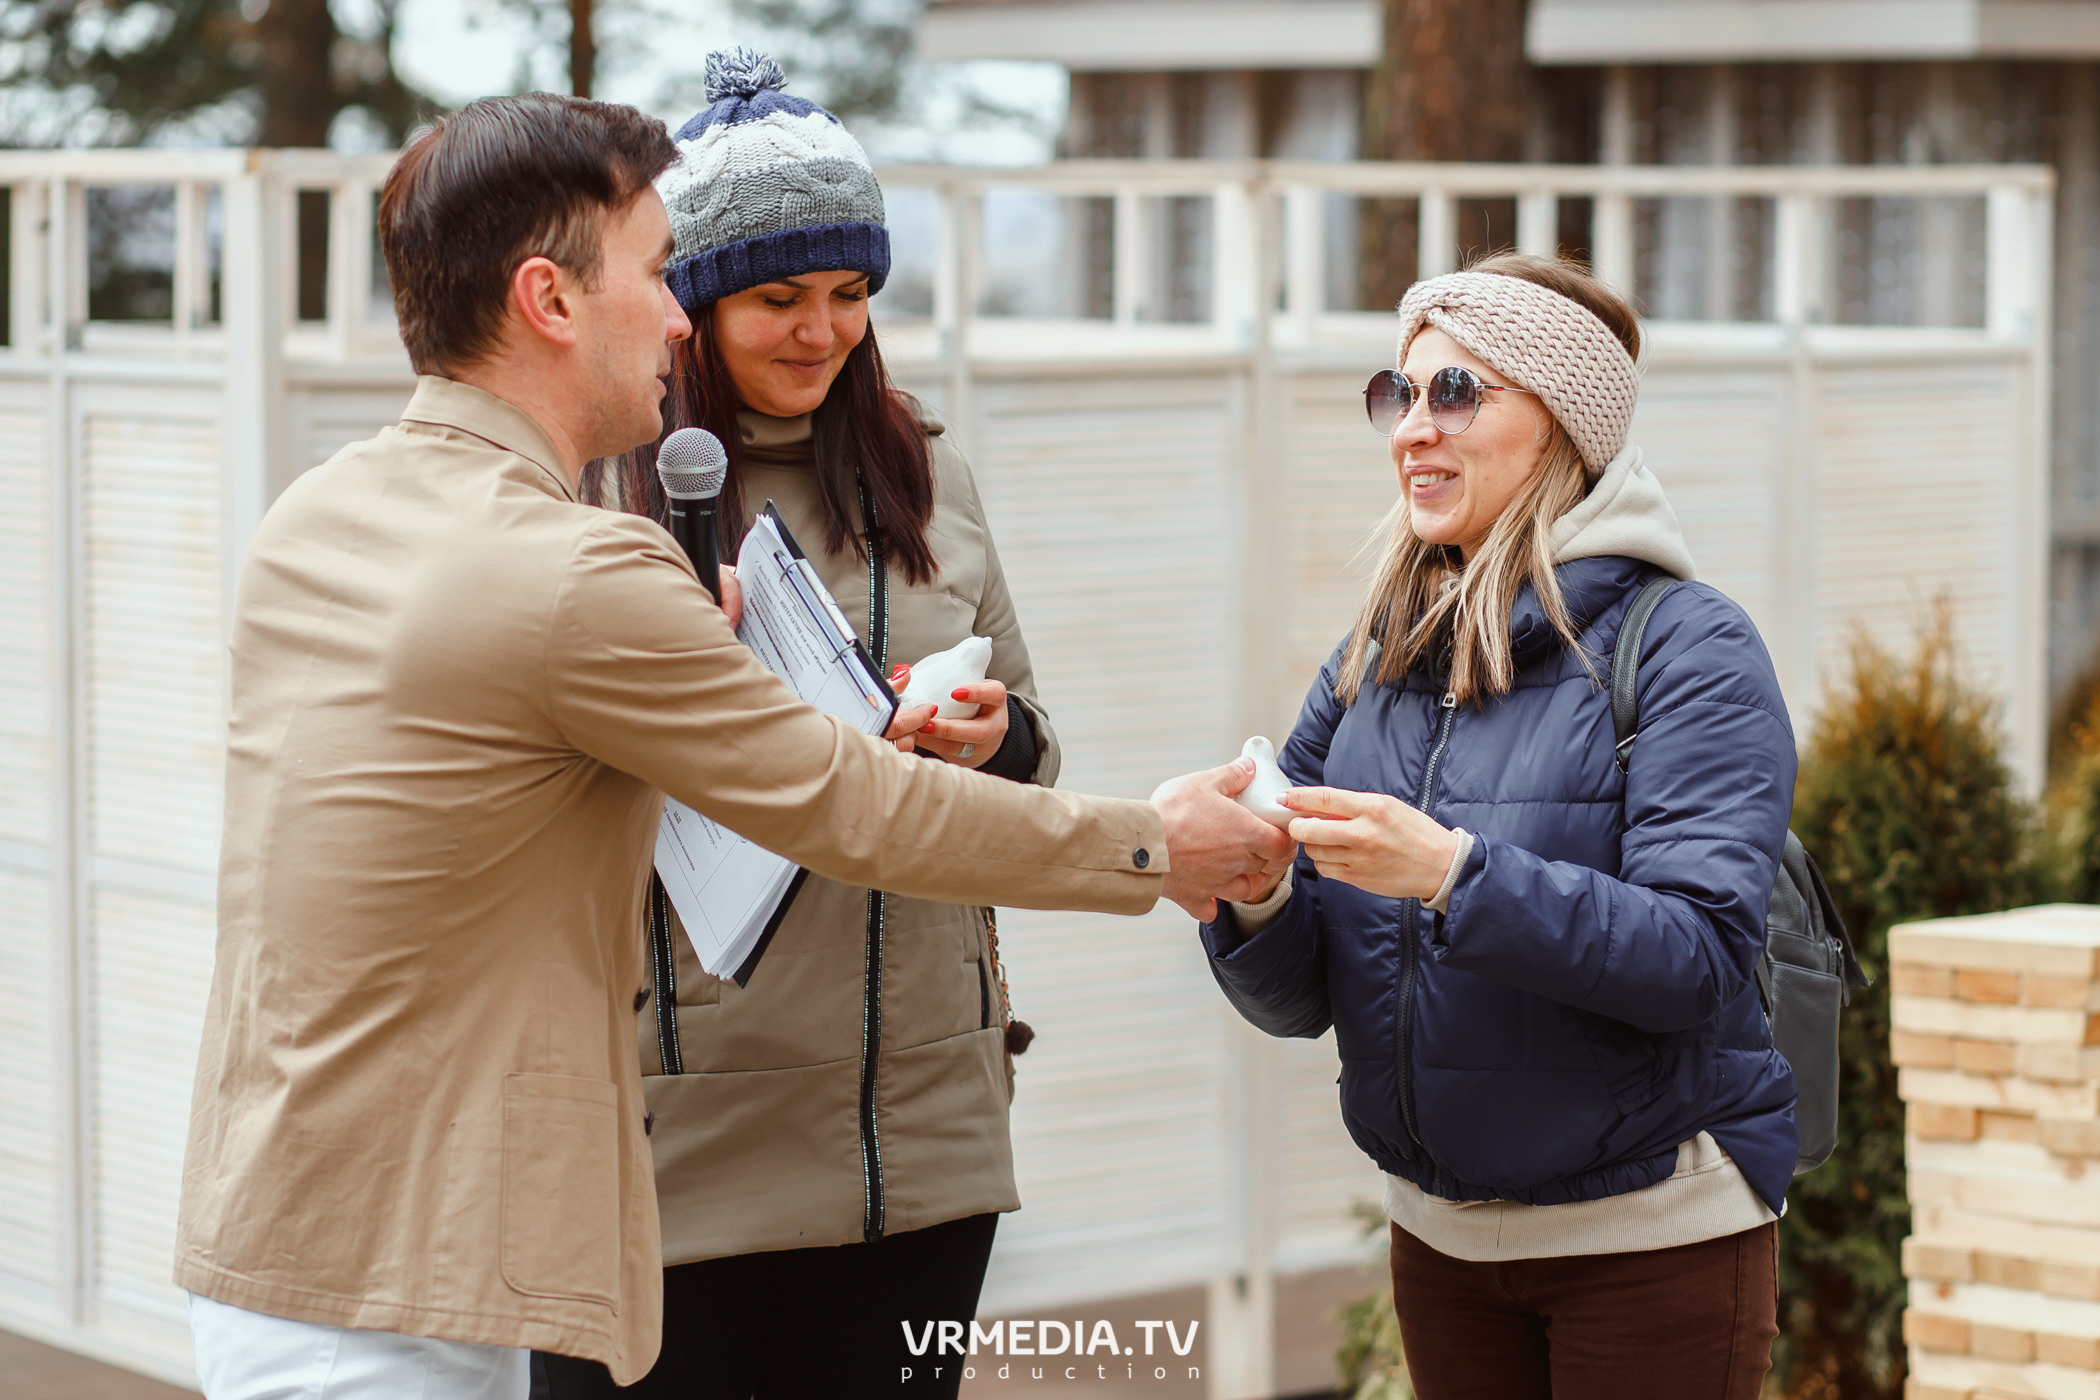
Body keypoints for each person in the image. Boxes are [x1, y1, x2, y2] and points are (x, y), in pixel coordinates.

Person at [174, 92, 1293, 1400]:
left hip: (302, 1241)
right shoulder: (574, 566)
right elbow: (852, 806)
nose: (673, 311)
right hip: (432, 1280)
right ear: (549, 299)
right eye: (659, 273)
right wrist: (1162, 849)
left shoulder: (327, 512)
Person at [524, 50, 1052, 1400]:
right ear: (688, 303)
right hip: (666, 1146)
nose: (821, 330)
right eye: (777, 297)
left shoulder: (930, 473)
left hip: (922, 1144)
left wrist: (994, 739)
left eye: (849, 293)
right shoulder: (585, 497)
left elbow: (1043, 751)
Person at [1200, 253, 1797, 1399]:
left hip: (1651, 1239)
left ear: (1562, 423)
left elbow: (1702, 956)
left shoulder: (1688, 647)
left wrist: (1452, 874)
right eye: (1400, 392)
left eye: (1457, 392)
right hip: (1441, 1242)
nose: (1413, 428)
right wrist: (1251, 891)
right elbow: (1301, 1002)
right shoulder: (1377, 651)